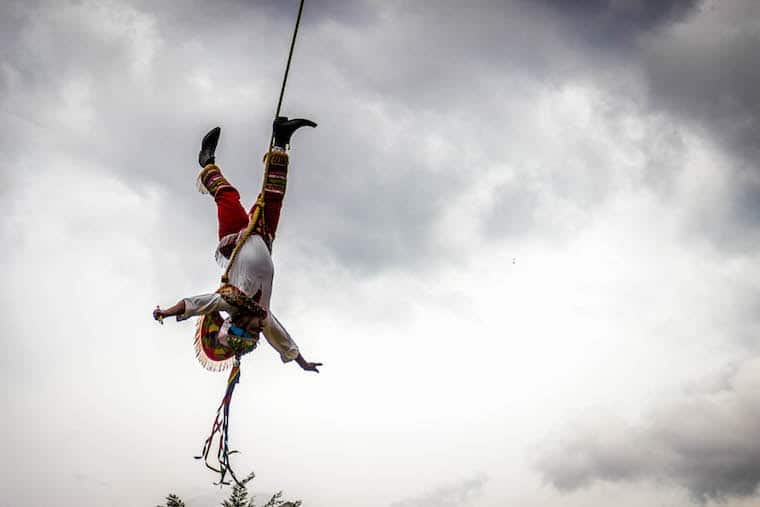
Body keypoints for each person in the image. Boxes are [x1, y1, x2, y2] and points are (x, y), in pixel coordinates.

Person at [154, 117, 322, 373]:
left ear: (239, 323)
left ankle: (206, 162)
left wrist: (167, 312)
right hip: (263, 236)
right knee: (273, 196)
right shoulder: (264, 316)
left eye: (252, 330)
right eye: (257, 333)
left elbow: (196, 304)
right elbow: (283, 341)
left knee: (227, 195)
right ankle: (281, 139)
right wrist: (303, 363)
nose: (258, 329)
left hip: (235, 238)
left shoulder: (229, 301)